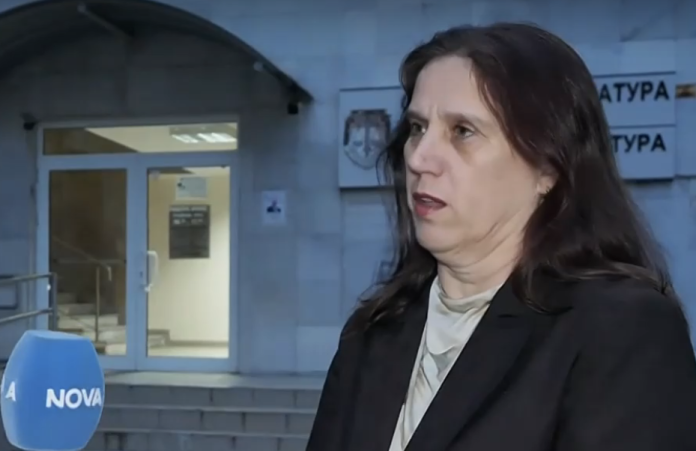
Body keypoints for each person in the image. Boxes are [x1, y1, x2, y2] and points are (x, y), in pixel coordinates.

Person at [307, 22, 696, 451]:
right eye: (417, 128)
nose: (419, 158)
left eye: (462, 131)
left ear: (547, 167)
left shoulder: (621, 330)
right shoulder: (374, 330)